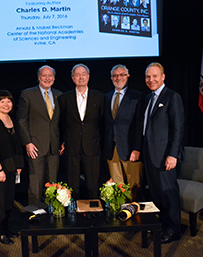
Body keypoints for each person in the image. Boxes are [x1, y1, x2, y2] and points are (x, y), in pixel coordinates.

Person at [142, 62, 184, 244]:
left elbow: (178, 128)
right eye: (148, 77)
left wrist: (172, 155)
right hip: (150, 155)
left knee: (168, 194)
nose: (151, 80)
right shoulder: (147, 98)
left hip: (166, 156)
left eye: (155, 76)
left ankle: (174, 230)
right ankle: (163, 226)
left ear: (163, 76)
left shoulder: (172, 97)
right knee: (156, 194)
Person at [16, 65, 62, 205]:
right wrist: (28, 143)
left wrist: (63, 142)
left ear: (54, 78)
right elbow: (21, 120)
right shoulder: (28, 94)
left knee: (53, 184)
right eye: (44, 75)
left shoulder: (59, 95)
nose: (47, 78)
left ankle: (52, 212)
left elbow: (62, 122)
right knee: (35, 183)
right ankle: (35, 214)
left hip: (54, 147)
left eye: (50, 76)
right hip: (35, 146)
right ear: (38, 77)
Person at [58, 64, 104, 199]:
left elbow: (103, 122)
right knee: (72, 185)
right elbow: (61, 123)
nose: (81, 77)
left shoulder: (99, 97)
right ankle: (74, 212)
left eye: (83, 74)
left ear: (88, 77)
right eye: (77, 75)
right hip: (72, 147)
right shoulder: (64, 98)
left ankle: (94, 211)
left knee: (92, 184)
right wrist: (63, 142)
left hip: (92, 146)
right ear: (73, 78)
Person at [0, 90, 23, 245]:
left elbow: (18, 145)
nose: (6, 104)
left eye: (9, 101)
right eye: (2, 101)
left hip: (12, 168)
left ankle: (6, 229)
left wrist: (19, 166)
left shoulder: (12, 120)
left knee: (9, 200)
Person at [104, 65, 143, 201]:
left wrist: (137, 148)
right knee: (117, 188)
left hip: (130, 149)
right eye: (115, 75)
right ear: (111, 78)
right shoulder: (107, 97)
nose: (118, 78)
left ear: (128, 76)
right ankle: (120, 215)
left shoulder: (137, 97)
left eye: (122, 74)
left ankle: (134, 216)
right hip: (111, 149)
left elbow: (139, 125)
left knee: (134, 188)